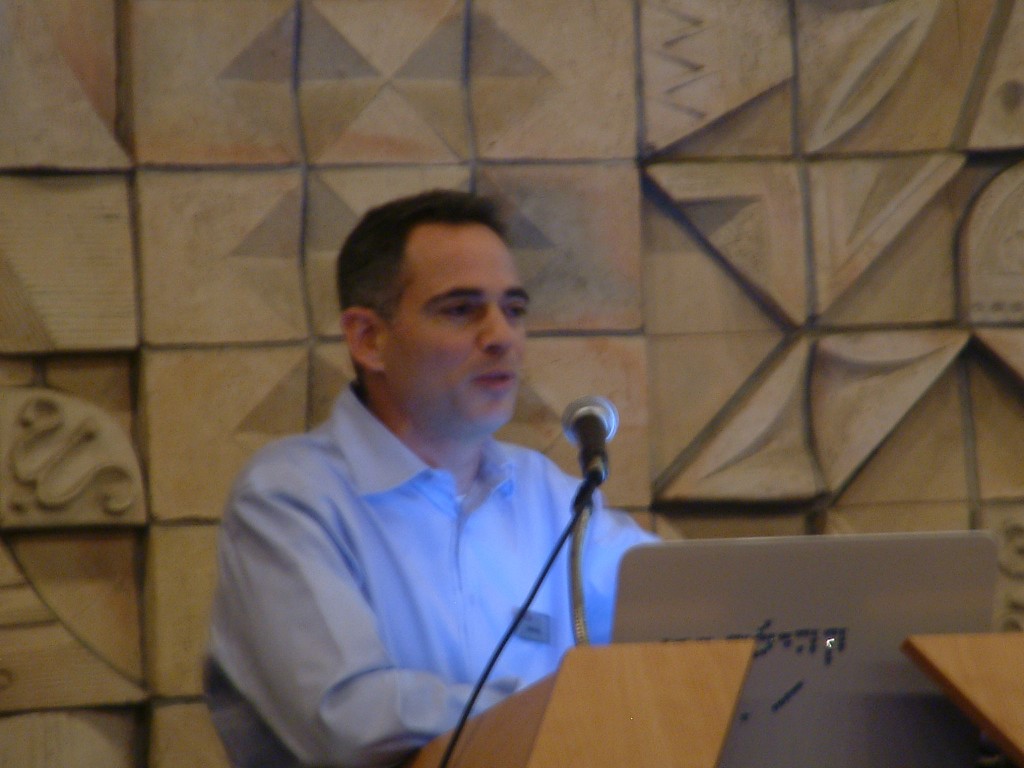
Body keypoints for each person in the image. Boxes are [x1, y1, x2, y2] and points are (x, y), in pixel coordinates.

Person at [204, 189, 656, 768]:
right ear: (368, 339)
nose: (502, 336)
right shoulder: (290, 497)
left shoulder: (545, 492)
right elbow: (351, 721)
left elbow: (687, 617)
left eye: (513, 309)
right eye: (461, 310)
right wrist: (576, 708)